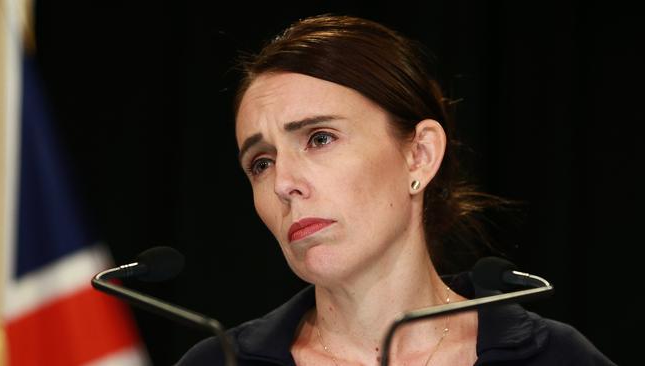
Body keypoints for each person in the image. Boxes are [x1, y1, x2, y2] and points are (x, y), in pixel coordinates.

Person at [176, 14, 615, 366]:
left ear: (419, 155)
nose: (284, 183)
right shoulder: (219, 360)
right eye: (262, 163)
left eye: (320, 138)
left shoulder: (554, 356)